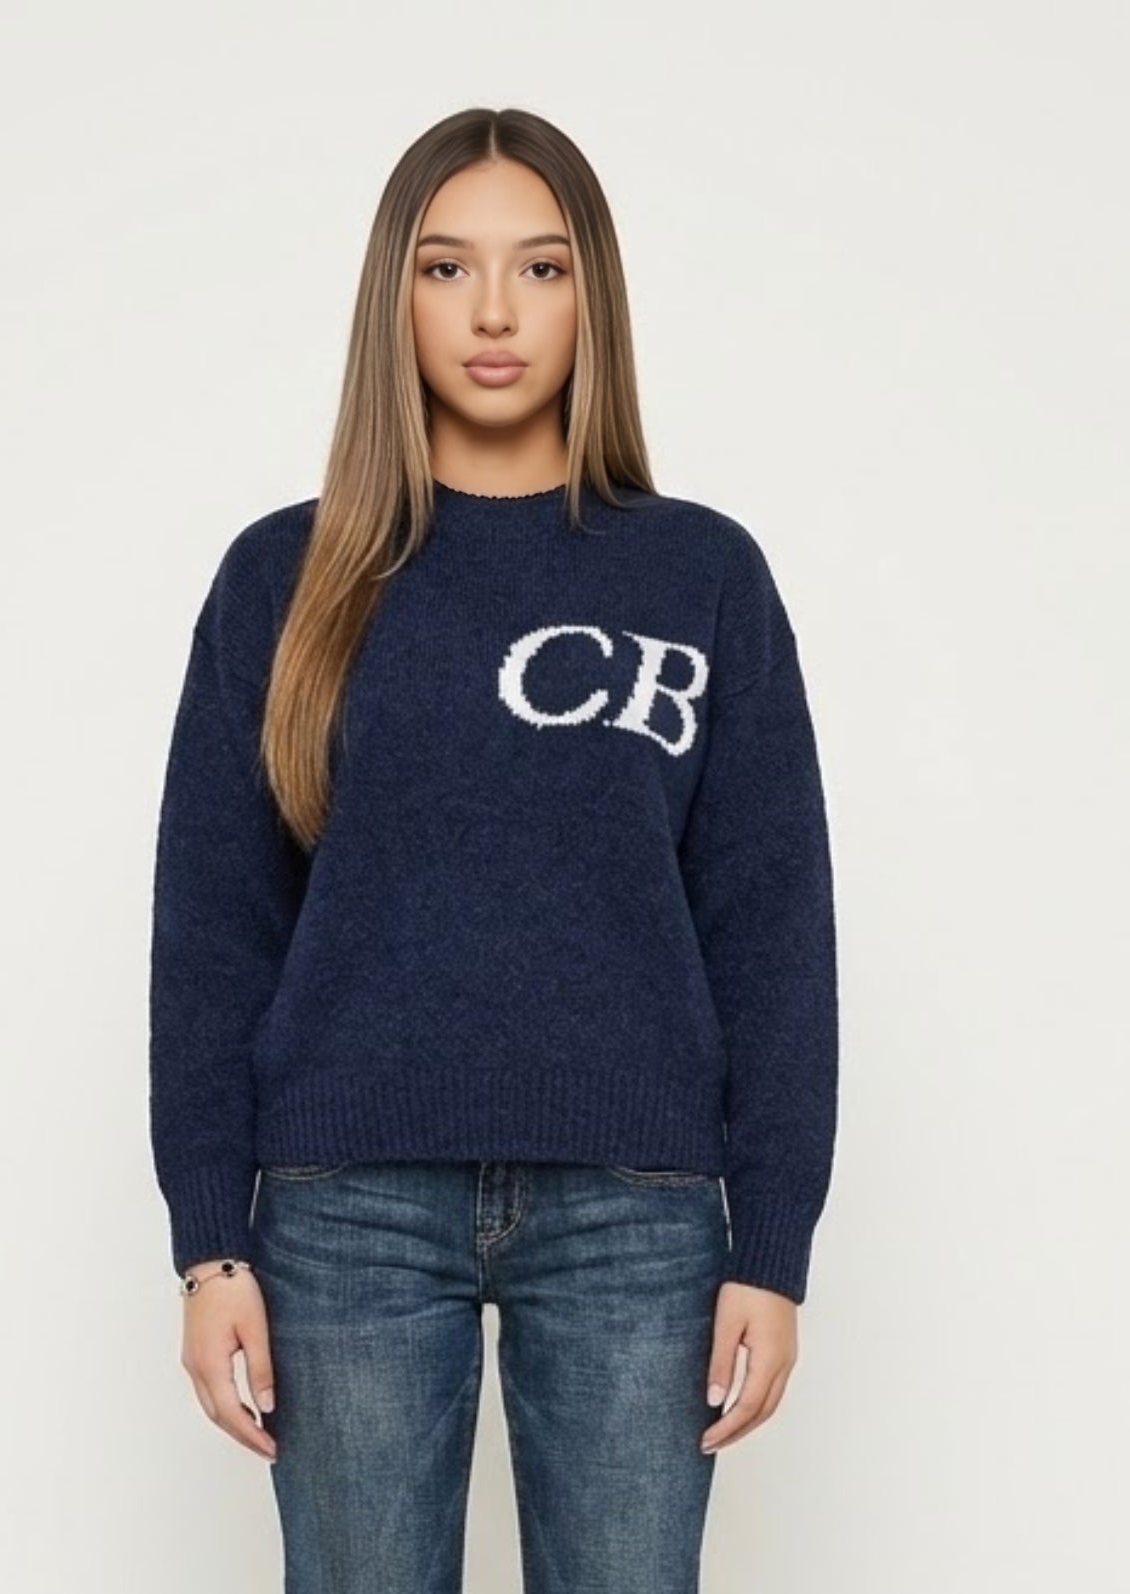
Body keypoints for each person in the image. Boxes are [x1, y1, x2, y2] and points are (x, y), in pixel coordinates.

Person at [148, 106, 838, 1592]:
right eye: (447, 267)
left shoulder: (702, 574)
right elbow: (212, 928)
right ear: (393, 296)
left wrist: (772, 1244)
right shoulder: (284, 575)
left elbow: (772, 926)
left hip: (638, 1209)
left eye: (541, 266)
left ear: (594, 295)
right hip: (342, 1203)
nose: (495, 314)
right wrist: (211, 1247)